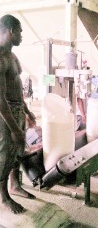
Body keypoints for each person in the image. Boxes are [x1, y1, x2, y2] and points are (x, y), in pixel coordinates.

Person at [0, 14, 36, 214]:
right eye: (20, 31)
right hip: (4, 114)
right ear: (12, 31)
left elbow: (17, 86)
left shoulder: (12, 55)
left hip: (18, 108)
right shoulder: (0, 56)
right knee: (5, 155)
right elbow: (0, 98)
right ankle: (3, 197)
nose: (22, 35)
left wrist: (26, 110)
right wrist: (13, 128)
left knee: (19, 151)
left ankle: (15, 185)